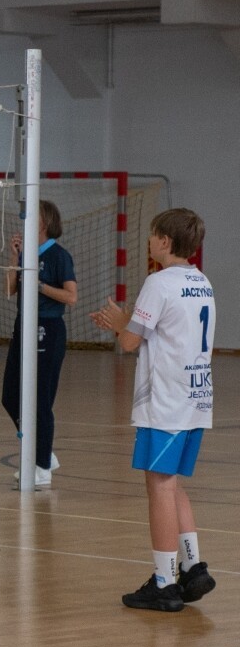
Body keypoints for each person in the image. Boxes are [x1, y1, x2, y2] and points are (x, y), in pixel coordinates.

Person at [92, 208, 216, 613]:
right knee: (173, 484)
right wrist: (127, 322)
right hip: (196, 397)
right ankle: (193, 567)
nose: (147, 240)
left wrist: (120, 322)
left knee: (159, 487)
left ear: (165, 241)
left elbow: (130, 342)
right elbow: (163, 332)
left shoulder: (158, 282)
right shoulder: (201, 282)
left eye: (151, 234)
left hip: (166, 400)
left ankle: (164, 583)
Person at [2, 200, 76, 489]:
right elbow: (9, 291)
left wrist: (40, 285)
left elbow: (71, 297)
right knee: (10, 396)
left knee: (40, 400)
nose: (24, 221)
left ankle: (42, 466)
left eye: (30, 216)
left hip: (48, 329)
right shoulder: (26, 254)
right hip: (23, 325)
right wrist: (15, 259)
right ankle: (43, 449)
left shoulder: (59, 256)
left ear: (43, 223)